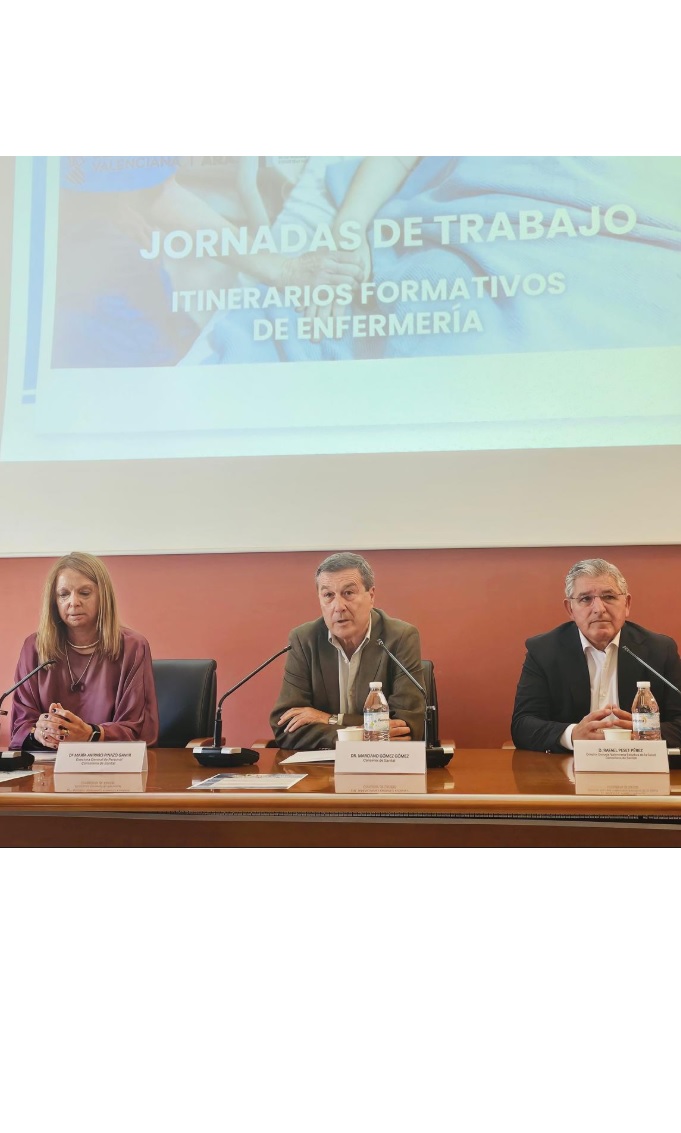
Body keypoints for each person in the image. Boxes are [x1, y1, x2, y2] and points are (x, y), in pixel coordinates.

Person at [511, 557, 681, 752]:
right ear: (570, 609)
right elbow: (523, 726)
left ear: (626, 604)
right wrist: (572, 735)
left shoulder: (660, 650)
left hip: (640, 762)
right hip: (569, 764)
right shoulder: (544, 651)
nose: (599, 609)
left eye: (609, 597)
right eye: (585, 599)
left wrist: (647, 733)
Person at [270, 552, 425, 750]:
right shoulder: (304, 640)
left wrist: (331, 719)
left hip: (382, 763)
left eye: (348, 593)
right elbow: (286, 727)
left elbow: (405, 726)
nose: (338, 607)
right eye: (328, 595)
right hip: (320, 766)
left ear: (371, 596)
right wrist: (357, 737)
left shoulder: (400, 637)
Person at [10, 551, 159, 750]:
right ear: (54, 601)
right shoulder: (34, 647)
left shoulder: (133, 647)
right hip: (48, 763)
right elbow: (20, 727)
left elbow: (138, 730)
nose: (73, 602)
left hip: (109, 763)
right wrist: (40, 732)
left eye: (85, 593)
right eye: (64, 594)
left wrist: (90, 734)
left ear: (103, 596)